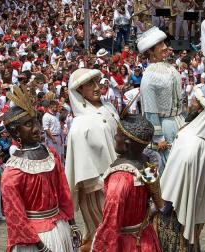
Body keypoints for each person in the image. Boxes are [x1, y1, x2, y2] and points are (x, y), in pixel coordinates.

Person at [1, 85, 81, 252]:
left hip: (60, 226)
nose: (37, 128)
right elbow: (16, 216)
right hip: (36, 238)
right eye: (29, 124)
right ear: (16, 132)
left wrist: (72, 223)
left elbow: (63, 192)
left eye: (36, 120)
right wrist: (40, 246)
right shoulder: (13, 172)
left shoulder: (51, 154)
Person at [157, 84, 205, 251]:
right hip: (193, 205)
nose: (191, 103)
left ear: (203, 110)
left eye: (195, 101)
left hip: (174, 207)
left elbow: (173, 183)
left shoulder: (190, 140)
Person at [65, 68, 119, 251]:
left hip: (117, 180)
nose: (97, 88)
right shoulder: (79, 125)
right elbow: (83, 166)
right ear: (79, 90)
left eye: (97, 83)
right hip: (97, 188)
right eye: (90, 84)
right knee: (102, 231)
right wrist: (102, 186)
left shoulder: (108, 108)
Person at [93, 115, 162, 251]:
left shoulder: (120, 180)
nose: (115, 137)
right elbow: (158, 201)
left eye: (118, 134)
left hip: (127, 245)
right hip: (146, 237)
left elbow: (110, 226)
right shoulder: (147, 163)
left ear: (127, 144)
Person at [137, 27, 184, 172]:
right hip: (165, 128)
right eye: (160, 45)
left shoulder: (170, 67)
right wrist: (159, 138)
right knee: (169, 169)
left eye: (164, 43)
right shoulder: (149, 76)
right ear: (151, 51)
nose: (165, 47)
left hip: (179, 122)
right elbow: (150, 111)